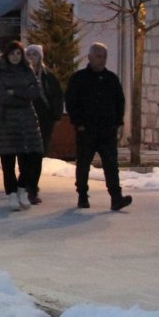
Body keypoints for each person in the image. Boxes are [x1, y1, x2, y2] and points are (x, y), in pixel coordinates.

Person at [66, 43, 131, 211]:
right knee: (84, 164)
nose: (101, 60)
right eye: (98, 56)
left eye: (104, 57)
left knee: (111, 164)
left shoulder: (111, 79)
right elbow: (71, 102)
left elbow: (120, 101)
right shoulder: (79, 78)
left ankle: (116, 197)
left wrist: (117, 122)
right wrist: (78, 123)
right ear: (90, 57)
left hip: (107, 130)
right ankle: (82, 195)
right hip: (86, 129)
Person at [0, 40, 47, 210]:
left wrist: (15, 91)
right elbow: (2, 95)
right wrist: (23, 95)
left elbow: (35, 91)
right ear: (7, 55)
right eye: (12, 54)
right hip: (7, 121)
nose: (15, 57)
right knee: (8, 161)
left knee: (31, 158)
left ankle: (22, 188)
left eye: (18, 53)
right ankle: (12, 194)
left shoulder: (27, 69)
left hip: (27, 120)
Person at [26, 44, 66, 162]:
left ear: (40, 57)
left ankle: (38, 163)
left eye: (35, 54)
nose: (32, 57)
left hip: (44, 116)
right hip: (26, 115)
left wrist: (57, 116)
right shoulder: (22, 74)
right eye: (29, 54)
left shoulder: (48, 75)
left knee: (42, 143)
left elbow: (57, 95)